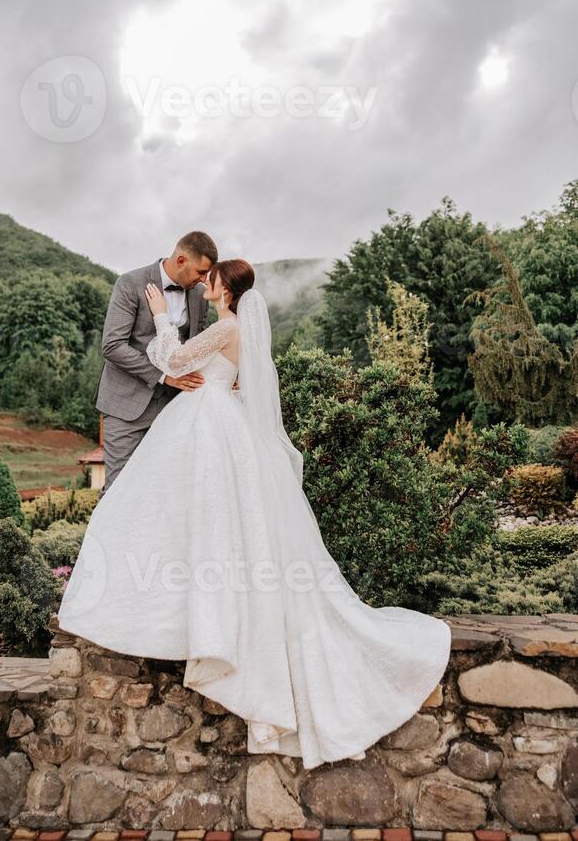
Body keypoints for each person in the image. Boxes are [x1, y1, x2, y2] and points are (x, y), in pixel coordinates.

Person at [59, 258, 452, 770]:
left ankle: (197, 614)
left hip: (207, 423)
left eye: (211, 279)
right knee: (215, 523)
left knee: (191, 517)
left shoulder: (225, 326)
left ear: (226, 288)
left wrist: (160, 314)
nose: (205, 284)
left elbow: (174, 362)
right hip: (228, 424)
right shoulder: (242, 331)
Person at [94, 231, 218, 492]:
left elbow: (195, 346)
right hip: (126, 407)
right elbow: (113, 346)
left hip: (175, 408)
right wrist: (164, 376)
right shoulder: (130, 283)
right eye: (200, 272)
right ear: (181, 260)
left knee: (164, 491)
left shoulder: (198, 295)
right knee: (119, 489)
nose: (203, 280)